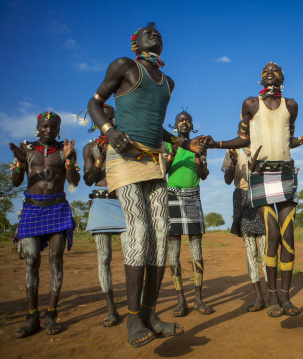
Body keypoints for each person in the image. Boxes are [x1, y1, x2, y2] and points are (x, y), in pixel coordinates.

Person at [87, 23, 203, 348]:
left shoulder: (168, 83)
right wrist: (109, 132)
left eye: (159, 33)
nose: (155, 34)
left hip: (153, 161)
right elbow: (94, 104)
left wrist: (184, 143)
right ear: (134, 41)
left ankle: (151, 314)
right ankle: (133, 317)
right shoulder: (124, 66)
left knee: (162, 235)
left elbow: (156, 126)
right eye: (147, 32)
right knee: (137, 231)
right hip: (124, 157)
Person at [206, 62, 303, 317]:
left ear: (283, 77)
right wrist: (216, 144)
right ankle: (271, 296)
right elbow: (245, 138)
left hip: (285, 173)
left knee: (288, 236)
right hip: (260, 175)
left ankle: (285, 296)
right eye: (265, 70)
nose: (270, 71)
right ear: (260, 79)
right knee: (272, 235)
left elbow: (288, 139)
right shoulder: (250, 104)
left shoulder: (290, 105)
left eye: (275, 69)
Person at [10, 111, 80, 337]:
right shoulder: (28, 150)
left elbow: (73, 181)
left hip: (57, 208)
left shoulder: (65, 150)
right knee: (31, 260)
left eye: (53, 127)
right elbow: (15, 182)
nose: (48, 130)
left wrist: (69, 160)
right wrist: (21, 162)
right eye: (44, 126)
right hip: (32, 209)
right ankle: (32, 317)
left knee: (55, 260)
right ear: (37, 127)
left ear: (58, 129)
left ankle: (51, 314)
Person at [163, 110, 212, 317]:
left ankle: (198, 298)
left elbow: (204, 175)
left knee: (196, 249)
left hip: (193, 196)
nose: (184, 122)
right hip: (171, 196)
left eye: (188, 121)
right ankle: (180, 299)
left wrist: (201, 163)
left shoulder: (199, 144)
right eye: (181, 120)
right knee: (173, 250)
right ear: (175, 125)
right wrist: (173, 152)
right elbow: (162, 170)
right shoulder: (167, 143)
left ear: (193, 126)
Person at [83, 104, 127, 327]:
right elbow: (89, 179)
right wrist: (99, 160)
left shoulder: (124, 143)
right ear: (96, 122)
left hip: (125, 201)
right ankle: (111, 309)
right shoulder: (90, 147)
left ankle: (135, 306)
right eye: (103, 120)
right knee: (104, 258)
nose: (107, 123)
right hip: (101, 202)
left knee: (133, 255)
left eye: (111, 119)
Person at [222, 123, 267, 312]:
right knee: (251, 252)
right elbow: (227, 180)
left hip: (263, 199)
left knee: (267, 251)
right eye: (245, 130)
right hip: (243, 198)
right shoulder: (233, 150)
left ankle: (271, 293)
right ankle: (258, 296)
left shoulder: (265, 147)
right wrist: (233, 162)